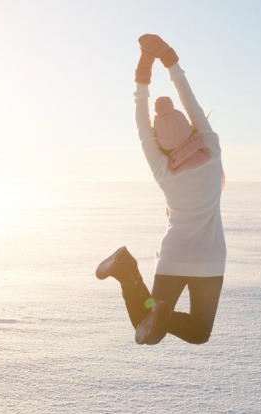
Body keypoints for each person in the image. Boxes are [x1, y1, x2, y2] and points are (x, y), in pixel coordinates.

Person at [96, 34, 226, 346]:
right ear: (190, 127)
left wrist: (143, 71)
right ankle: (156, 307)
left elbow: (142, 123)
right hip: (209, 260)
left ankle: (127, 270)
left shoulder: (163, 170)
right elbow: (189, 99)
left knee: (147, 320)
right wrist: (169, 58)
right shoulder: (211, 151)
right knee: (198, 332)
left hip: (174, 256)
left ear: (161, 143)